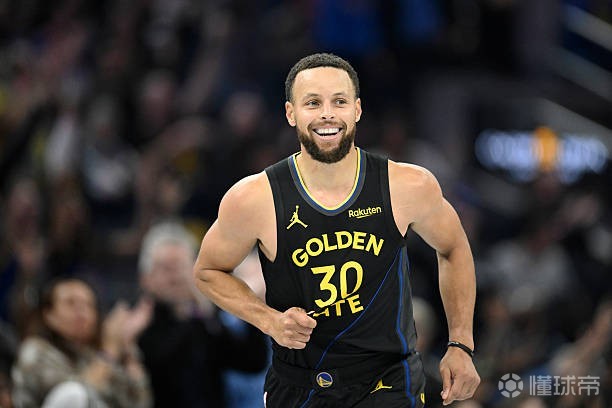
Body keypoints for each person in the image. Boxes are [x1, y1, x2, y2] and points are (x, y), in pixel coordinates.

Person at [193, 53, 480, 407]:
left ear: (357, 110)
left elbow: (453, 247)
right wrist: (269, 320)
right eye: (313, 103)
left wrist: (460, 343)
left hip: (388, 379)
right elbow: (207, 271)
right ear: (291, 113)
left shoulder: (406, 185)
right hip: (299, 382)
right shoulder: (254, 197)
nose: (327, 113)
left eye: (339, 101)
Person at [137, 221, 269, 408]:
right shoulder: (139, 326)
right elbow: (161, 364)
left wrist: (251, 307)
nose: (176, 277)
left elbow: (253, 362)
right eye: (166, 268)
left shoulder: (205, 319)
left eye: (181, 266)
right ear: (146, 278)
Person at [11, 278, 152, 408]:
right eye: (70, 303)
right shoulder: (35, 351)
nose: (81, 311)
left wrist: (126, 347)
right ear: (49, 315)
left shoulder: (92, 354)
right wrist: (110, 350)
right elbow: (73, 398)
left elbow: (139, 403)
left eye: (88, 304)